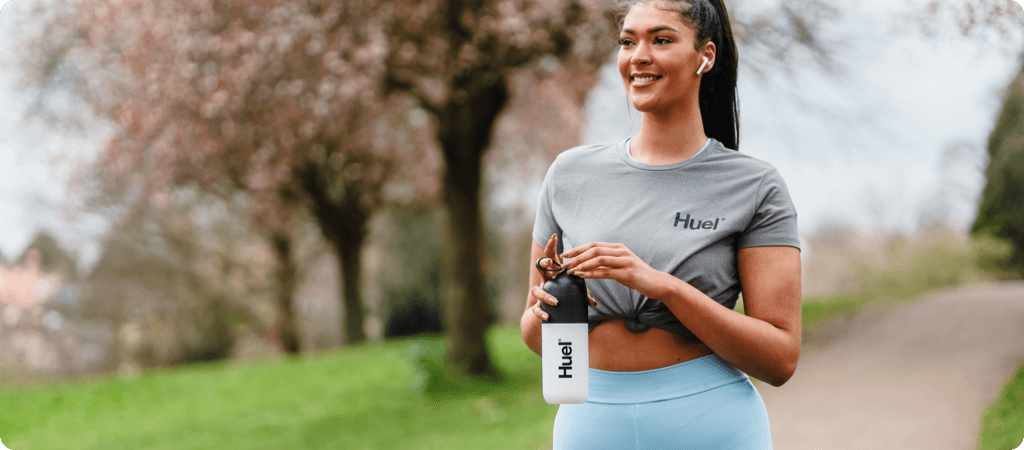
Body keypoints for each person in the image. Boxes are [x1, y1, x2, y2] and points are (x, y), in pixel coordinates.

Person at [519, 0, 802, 448]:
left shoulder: (754, 184)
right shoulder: (569, 174)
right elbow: (537, 339)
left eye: (662, 39)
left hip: (710, 423)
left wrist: (661, 286)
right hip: (591, 425)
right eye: (628, 41)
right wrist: (550, 310)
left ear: (705, 57)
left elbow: (780, 360)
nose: (639, 56)